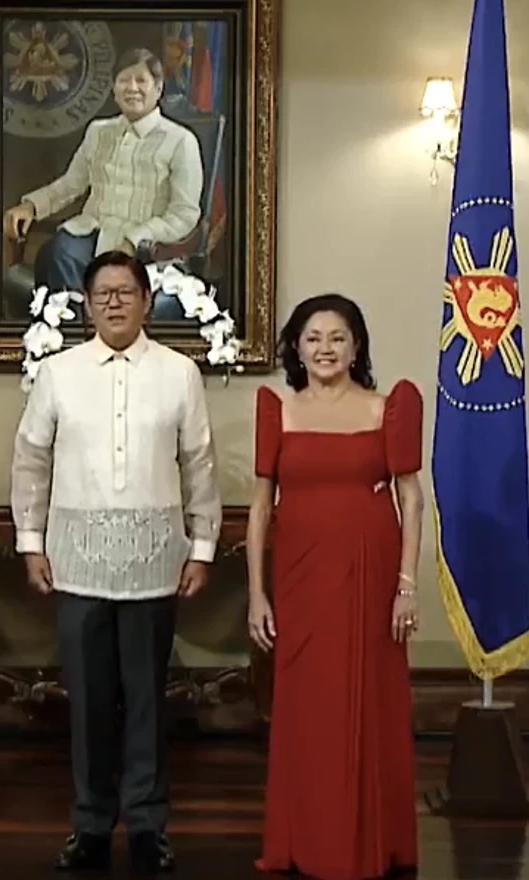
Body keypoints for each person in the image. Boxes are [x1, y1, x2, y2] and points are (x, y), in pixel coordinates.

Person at [10, 250, 221, 874]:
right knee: (90, 701)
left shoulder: (180, 373)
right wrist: (29, 541)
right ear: (87, 302)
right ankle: (91, 823)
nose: (114, 303)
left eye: (125, 292)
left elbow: (200, 465)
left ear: (145, 300)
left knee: (148, 701)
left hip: (157, 563)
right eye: (102, 293)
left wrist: (201, 547)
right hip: (77, 562)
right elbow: (30, 460)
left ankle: (150, 825)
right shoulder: (59, 373)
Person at [247, 293, 422, 880]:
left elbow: (412, 498)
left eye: (338, 337)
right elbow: (260, 506)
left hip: (372, 576)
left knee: (370, 700)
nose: (325, 348)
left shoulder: (388, 407)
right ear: (296, 347)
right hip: (299, 576)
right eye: (313, 337)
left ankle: (374, 841)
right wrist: (256, 593)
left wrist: (407, 584)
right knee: (308, 708)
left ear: (356, 347)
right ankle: (306, 840)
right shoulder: (277, 407)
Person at [3, 48, 203, 294]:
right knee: (57, 253)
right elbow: (70, 185)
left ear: (158, 88)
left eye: (141, 80)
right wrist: (31, 206)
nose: (132, 88)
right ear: (114, 89)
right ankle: (70, 329)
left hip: (147, 247)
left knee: (107, 275)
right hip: (92, 232)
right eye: (123, 80)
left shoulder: (181, 140)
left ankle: (98, 328)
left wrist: (136, 238)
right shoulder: (98, 131)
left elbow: (184, 214)